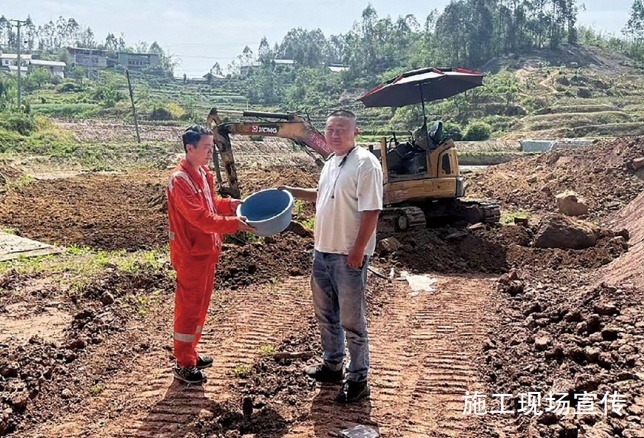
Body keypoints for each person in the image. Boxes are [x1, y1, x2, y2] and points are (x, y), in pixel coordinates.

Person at [280, 110, 383, 403]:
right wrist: (290, 191)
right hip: (322, 252)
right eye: (330, 130)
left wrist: (358, 250)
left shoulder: (365, 163)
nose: (335, 135)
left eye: (341, 129)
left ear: (355, 131)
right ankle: (332, 365)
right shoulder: (331, 162)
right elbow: (322, 194)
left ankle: (358, 379)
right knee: (326, 315)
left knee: (352, 320)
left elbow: (372, 210)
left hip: (347, 256)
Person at [166, 125, 254, 384]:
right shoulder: (180, 180)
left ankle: (191, 353)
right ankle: (183, 363)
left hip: (206, 251)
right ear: (189, 148)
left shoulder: (203, 174)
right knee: (189, 308)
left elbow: (210, 204)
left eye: (211, 147)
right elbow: (200, 218)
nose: (210, 152)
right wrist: (235, 224)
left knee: (200, 306)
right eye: (206, 147)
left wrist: (232, 205)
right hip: (191, 254)